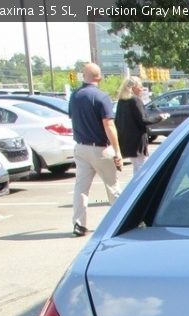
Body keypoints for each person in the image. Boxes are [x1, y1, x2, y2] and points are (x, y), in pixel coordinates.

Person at [68, 62, 122, 237]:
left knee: (81, 188)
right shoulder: (101, 97)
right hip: (100, 148)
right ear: (99, 77)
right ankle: (120, 222)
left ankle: (78, 224)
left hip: (81, 147)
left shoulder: (75, 96)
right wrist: (117, 151)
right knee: (112, 187)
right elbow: (109, 124)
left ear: (84, 76)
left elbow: (72, 117)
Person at [114, 76, 167, 176]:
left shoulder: (122, 101)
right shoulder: (135, 100)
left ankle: (136, 188)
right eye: (140, 86)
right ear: (133, 87)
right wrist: (160, 117)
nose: (142, 89)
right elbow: (144, 119)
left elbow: (117, 121)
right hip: (137, 141)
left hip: (126, 140)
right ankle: (140, 190)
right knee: (143, 169)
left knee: (137, 167)